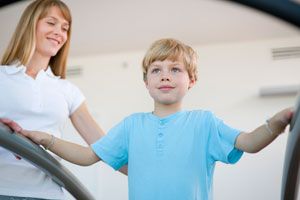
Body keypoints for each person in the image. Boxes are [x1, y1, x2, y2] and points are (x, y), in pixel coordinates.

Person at [19, 38, 293, 200]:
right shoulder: (131, 125)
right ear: (146, 82)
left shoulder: (204, 123)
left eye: (175, 69)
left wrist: (276, 124)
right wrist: (48, 140)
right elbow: (88, 156)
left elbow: (248, 142)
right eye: (156, 70)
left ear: (192, 81)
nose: (165, 75)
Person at [0, 0, 127, 199]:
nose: (59, 32)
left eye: (65, 28)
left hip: (48, 194)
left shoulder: (67, 90)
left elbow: (105, 146)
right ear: (30, 25)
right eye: (51, 23)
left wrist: (150, 174)